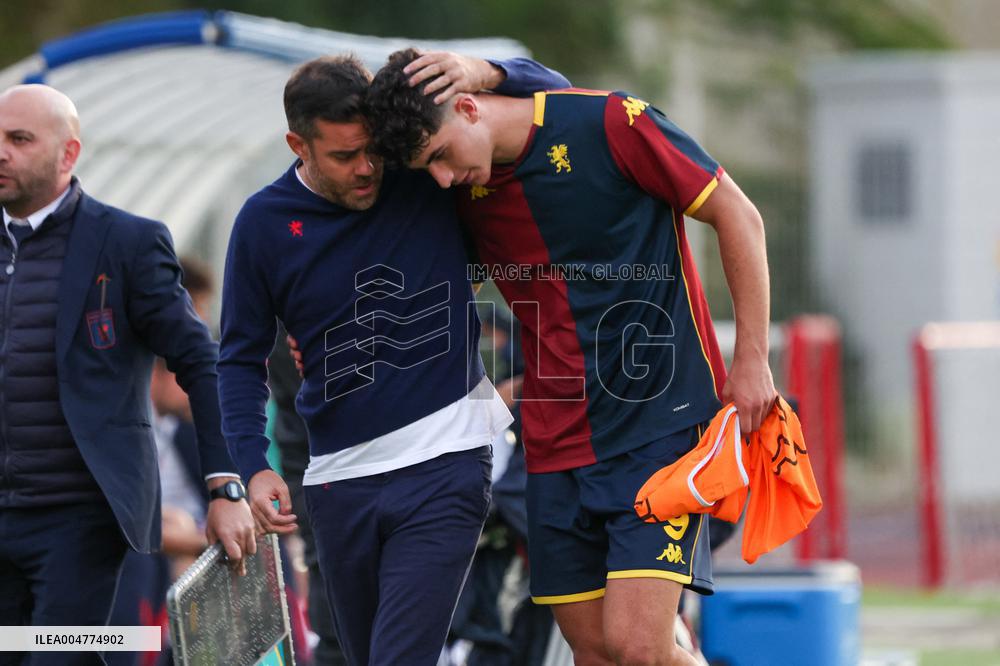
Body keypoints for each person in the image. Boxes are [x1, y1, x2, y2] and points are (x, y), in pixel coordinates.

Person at [365, 49, 778, 666]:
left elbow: (738, 216)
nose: (442, 179)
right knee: (594, 652)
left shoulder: (612, 124)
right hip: (552, 446)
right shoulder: (462, 192)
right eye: (427, 169)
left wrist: (751, 358)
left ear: (471, 106)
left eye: (441, 157)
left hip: (658, 425)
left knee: (637, 649)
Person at [218, 53, 568, 666]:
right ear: (298, 145)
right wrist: (252, 463)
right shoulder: (262, 224)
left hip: (447, 462)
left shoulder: (421, 172)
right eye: (344, 155)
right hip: (334, 481)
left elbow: (560, 98)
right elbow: (238, 359)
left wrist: (479, 71)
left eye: (372, 149)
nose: (367, 168)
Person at [0, 84, 256, 666]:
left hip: (78, 517)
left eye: (18, 139)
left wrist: (226, 485)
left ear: (68, 155)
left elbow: (199, 360)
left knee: (55, 657)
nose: (1, 153)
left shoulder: (126, 243)